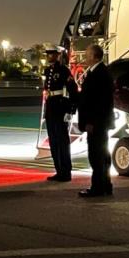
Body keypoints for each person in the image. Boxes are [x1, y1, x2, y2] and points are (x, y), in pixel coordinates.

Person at [77, 44, 115, 198]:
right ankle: (105, 185)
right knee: (102, 154)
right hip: (100, 122)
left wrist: (91, 122)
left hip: (96, 123)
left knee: (96, 155)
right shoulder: (100, 72)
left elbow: (99, 102)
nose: (85, 58)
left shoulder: (99, 74)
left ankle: (97, 187)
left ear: (94, 56)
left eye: (87, 55)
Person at [43, 46, 78, 182]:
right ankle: (58, 170)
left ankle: (66, 172)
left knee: (62, 141)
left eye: (51, 54)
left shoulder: (63, 70)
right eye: (48, 54)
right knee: (53, 141)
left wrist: (71, 110)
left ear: (57, 55)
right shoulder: (48, 71)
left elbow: (73, 90)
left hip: (60, 107)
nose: (49, 56)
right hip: (51, 108)